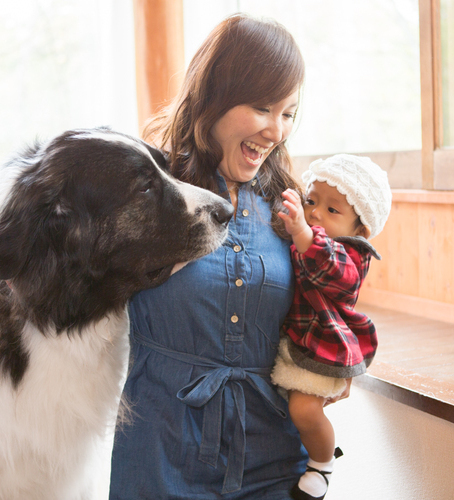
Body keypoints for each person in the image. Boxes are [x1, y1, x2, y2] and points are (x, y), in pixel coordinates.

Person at [109, 14, 311, 499]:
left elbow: (325, 302)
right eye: (262, 106)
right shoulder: (147, 194)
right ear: (215, 95)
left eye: (288, 113)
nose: (275, 130)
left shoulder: (289, 205)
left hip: (274, 454)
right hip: (161, 450)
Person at [271, 154, 392, 500]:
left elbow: (334, 272)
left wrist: (302, 232)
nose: (315, 213)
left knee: (304, 409)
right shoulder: (306, 234)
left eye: (332, 210)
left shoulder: (349, 253)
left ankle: (322, 464)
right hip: (296, 339)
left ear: (360, 230)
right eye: (311, 201)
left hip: (324, 345)